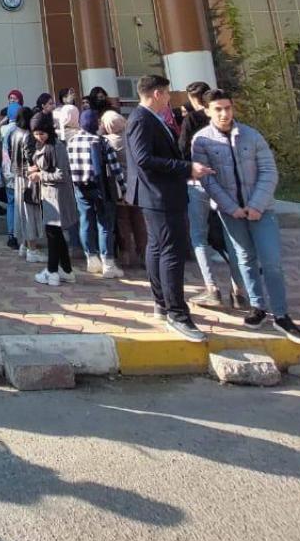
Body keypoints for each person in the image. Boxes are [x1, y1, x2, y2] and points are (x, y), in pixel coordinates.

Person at [193, 90, 300, 343]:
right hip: (230, 211)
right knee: (244, 258)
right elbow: (207, 180)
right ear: (208, 111)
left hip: (261, 210)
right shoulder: (201, 140)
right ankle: (257, 307)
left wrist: (256, 205)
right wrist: (230, 207)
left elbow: (268, 171)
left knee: (271, 260)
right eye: (218, 109)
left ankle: (281, 314)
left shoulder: (251, 135)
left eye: (227, 108)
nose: (224, 114)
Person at [125, 74, 213, 342]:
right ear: (156, 94)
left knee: (157, 248)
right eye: (166, 93)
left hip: (159, 194)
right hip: (159, 195)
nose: (169, 99)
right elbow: (144, 159)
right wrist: (186, 168)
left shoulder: (150, 118)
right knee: (171, 252)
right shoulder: (141, 119)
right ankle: (177, 312)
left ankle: (163, 303)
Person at [178, 81, 247, 310]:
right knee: (232, 237)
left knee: (199, 236)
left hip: (198, 184)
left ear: (194, 99)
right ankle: (239, 290)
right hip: (226, 184)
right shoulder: (231, 123)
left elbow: (182, 150)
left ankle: (212, 288)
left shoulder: (191, 121)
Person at [67, 107, 125, 277]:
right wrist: (123, 187)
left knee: (85, 221)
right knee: (105, 224)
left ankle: (91, 259)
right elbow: (115, 168)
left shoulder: (72, 141)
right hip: (101, 187)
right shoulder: (101, 142)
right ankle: (108, 263)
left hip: (80, 186)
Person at [26, 113, 78, 286]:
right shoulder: (43, 145)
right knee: (56, 234)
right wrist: (35, 169)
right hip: (48, 195)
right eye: (36, 133)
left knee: (53, 235)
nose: (39, 136)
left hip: (58, 197)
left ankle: (52, 271)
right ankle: (67, 270)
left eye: (42, 133)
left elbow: (62, 174)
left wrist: (40, 175)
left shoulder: (57, 146)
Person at [100, 108, 147, 269]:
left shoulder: (107, 141)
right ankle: (144, 253)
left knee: (122, 220)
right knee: (138, 219)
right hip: (136, 183)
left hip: (119, 186)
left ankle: (126, 254)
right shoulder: (132, 137)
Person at [11, 107, 45, 262]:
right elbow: (30, 157)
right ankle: (32, 249)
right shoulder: (28, 136)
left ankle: (24, 245)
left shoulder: (15, 133)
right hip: (29, 178)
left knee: (22, 213)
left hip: (18, 177)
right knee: (30, 213)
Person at [0, 100, 22, 247]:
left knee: (11, 204)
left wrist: (1, 123)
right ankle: (22, 235)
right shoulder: (20, 130)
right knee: (21, 204)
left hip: (7, 171)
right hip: (19, 172)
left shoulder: (3, 129)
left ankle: (11, 234)